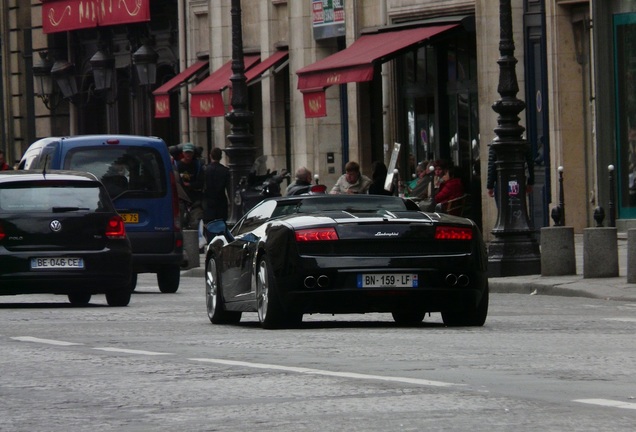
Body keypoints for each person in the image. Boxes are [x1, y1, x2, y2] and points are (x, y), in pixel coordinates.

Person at [177, 143, 204, 228]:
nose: (188, 154)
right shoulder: (177, 165)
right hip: (181, 198)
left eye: (190, 152)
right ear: (183, 153)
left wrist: (189, 184)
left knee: (196, 222)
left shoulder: (197, 165)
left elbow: (200, 182)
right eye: (186, 152)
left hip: (194, 199)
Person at [202, 147, 231, 224]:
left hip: (208, 202)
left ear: (210, 156)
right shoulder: (225, 171)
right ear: (221, 157)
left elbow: (201, 185)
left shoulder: (205, 170)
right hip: (221, 202)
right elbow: (229, 189)